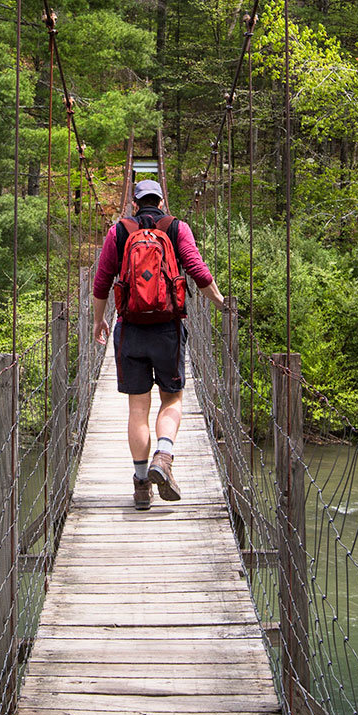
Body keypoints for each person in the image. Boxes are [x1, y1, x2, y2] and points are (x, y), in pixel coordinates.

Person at [89, 179, 226, 510]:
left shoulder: (118, 231)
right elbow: (197, 271)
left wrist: (98, 320)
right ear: (162, 201)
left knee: (138, 408)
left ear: (135, 204)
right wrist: (222, 301)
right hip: (167, 329)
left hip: (130, 329)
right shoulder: (176, 228)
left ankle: (140, 486)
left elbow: (101, 281)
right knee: (172, 399)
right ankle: (163, 457)